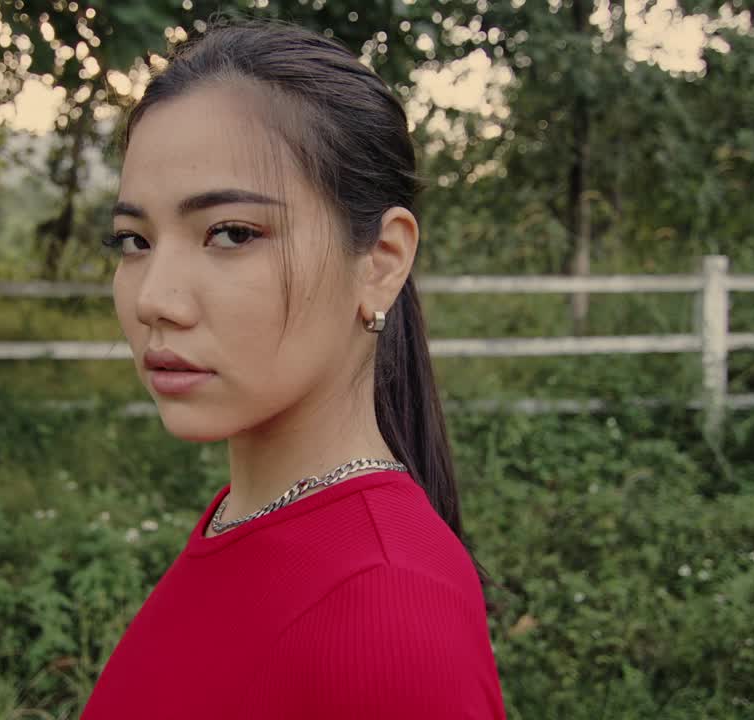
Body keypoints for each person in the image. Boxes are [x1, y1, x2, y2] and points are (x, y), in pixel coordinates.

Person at [80, 14, 506, 720]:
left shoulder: (386, 616)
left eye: (232, 233)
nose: (154, 298)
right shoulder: (245, 522)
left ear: (381, 260)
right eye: (134, 240)